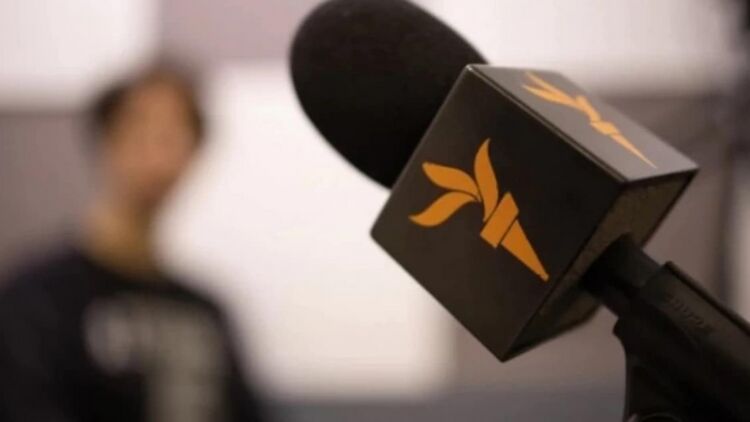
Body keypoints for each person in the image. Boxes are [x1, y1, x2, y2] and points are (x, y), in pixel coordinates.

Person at [0, 64, 265, 422]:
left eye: (173, 136)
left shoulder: (208, 313)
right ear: (105, 140)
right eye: (139, 129)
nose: (156, 155)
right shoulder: (38, 297)